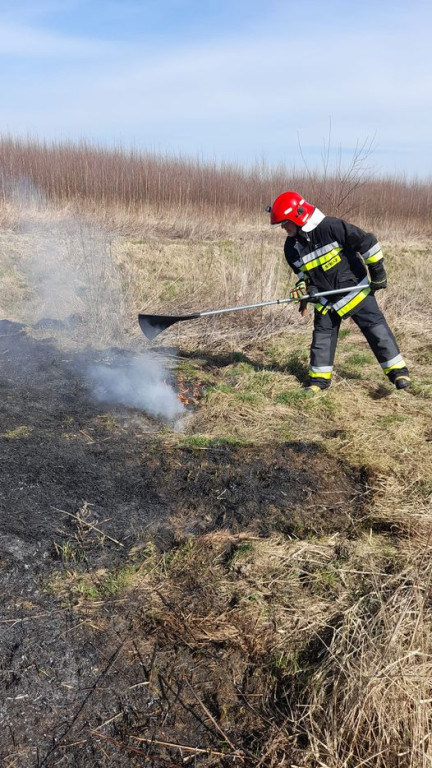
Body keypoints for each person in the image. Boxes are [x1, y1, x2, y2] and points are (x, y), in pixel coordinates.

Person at [267, 190, 411, 393]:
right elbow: (303, 274)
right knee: (322, 338)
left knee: (376, 330)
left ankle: (398, 373)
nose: (283, 227)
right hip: (326, 300)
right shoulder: (291, 247)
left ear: (298, 216)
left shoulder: (332, 227)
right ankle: (318, 381)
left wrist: (378, 274)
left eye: (285, 222)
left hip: (355, 291)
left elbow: (368, 243)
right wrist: (308, 288)